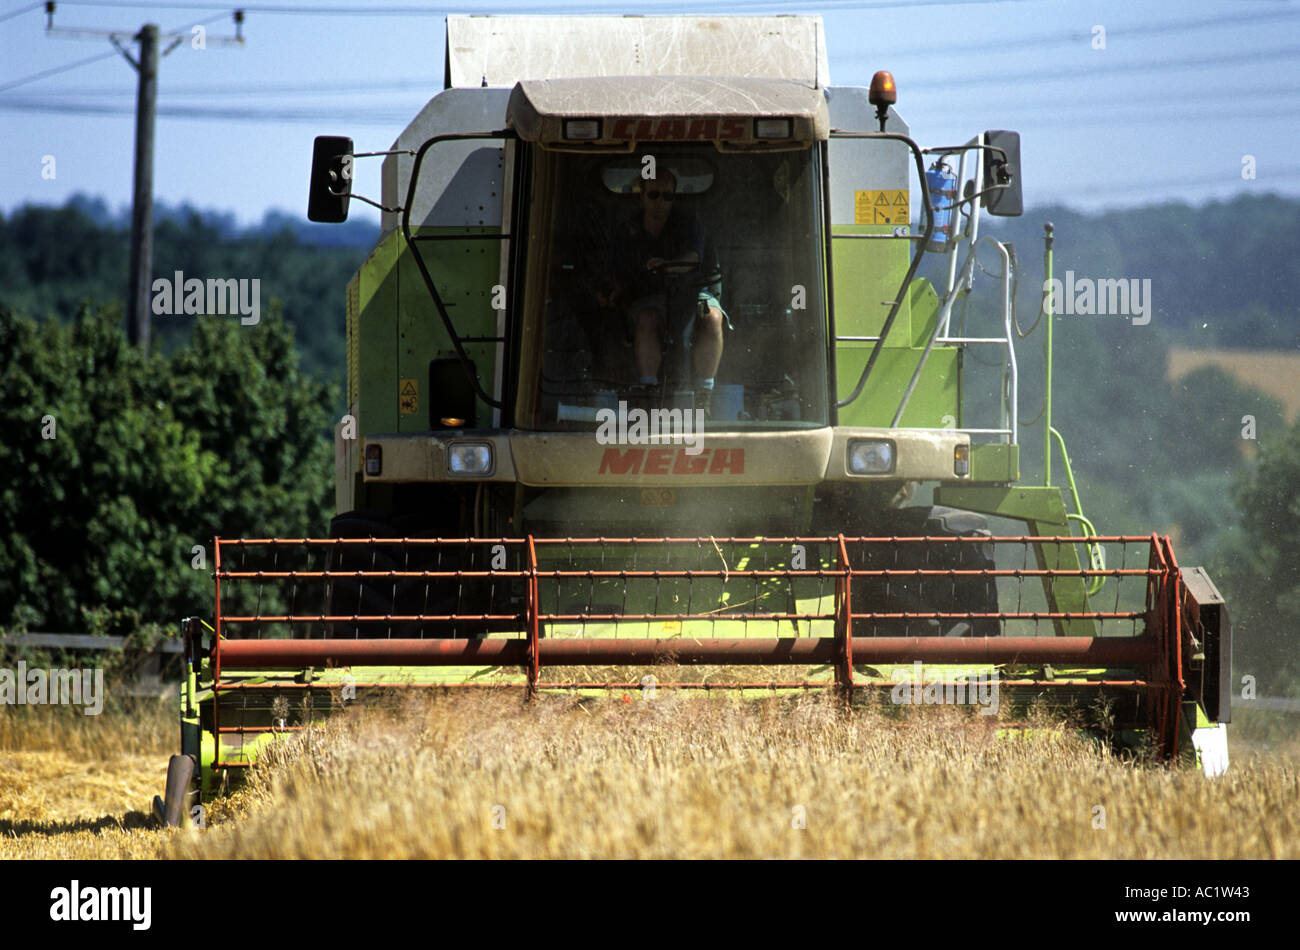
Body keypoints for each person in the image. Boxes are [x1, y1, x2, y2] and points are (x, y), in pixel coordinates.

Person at [596, 168, 728, 408]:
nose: (661, 202)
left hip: (693, 291)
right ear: (641, 195)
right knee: (646, 318)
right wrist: (611, 292)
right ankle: (649, 392)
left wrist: (668, 266)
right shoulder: (626, 231)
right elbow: (616, 274)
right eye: (654, 195)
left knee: (713, 318)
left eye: (668, 196)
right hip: (649, 297)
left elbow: (693, 258)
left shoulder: (690, 223)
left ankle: (703, 396)